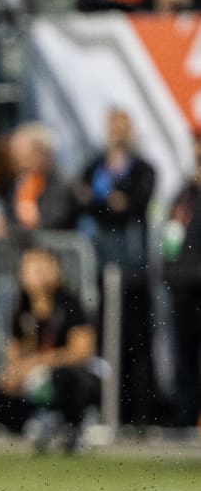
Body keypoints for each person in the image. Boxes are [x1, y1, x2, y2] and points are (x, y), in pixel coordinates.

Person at [72, 107, 156, 426]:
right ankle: (111, 413)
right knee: (106, 344)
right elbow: (83, 197)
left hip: (133, 274)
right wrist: (109, 203)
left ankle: (141, 417)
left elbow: (132, 204)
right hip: (100, 272)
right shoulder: (95, 165)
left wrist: (99, 203)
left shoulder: (143, 169)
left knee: (137, 343)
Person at [0, 244, 100, 453]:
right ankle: (33, 422)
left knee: (66, 380)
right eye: (31, 267)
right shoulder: (22, 310)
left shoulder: (70, 304)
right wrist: (13, 375)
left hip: (62, 374)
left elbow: (81, 353)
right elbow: (13, 357)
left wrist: (38, 364)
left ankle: (70, 424)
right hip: (32, 382)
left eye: (43, 266)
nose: (37, 273)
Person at [161, 138, 201, 433]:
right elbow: (170, 236)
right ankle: (185, 419)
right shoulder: (183, 195)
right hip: (182, 287)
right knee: (184, 357)